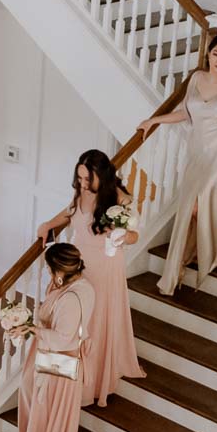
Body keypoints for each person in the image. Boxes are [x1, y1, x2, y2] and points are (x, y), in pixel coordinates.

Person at [138, 32, 217, 295]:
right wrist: (153, 120)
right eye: (216, 54)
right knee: (192, 206)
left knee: (196, 207)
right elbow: (185, 113)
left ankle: (212, 250)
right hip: (198, 152)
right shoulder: (196, 78)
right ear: (208, 53)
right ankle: (196, 252)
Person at [37, 149, 145, 406]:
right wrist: (48, 224)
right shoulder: (81, 192)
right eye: (80, 178)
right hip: (78, 263)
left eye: (88, 179)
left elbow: (134, 235)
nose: (83, 184)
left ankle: (92, 381)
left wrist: (121, 235)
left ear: (103, 175)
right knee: (72, 318)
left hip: (104, 267)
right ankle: (65, 377)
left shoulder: (121, 199)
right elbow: (70, 211)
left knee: (94, 322)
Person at [18, 243, 95, 432]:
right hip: (53, 359)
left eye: (51, 270)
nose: (49, 275)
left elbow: (63, 338)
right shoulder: (77, 287)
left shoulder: (71, 299)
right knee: (38, 407)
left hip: (58, 368)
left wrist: (33, 330)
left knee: (47, 417)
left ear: (59, 272)